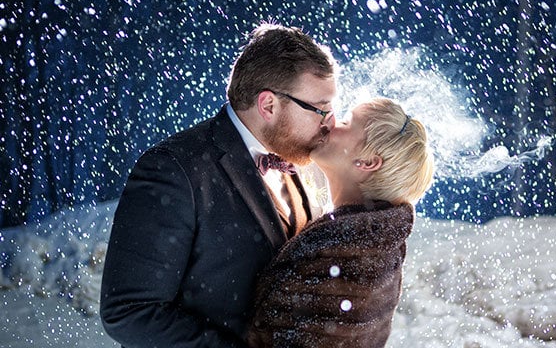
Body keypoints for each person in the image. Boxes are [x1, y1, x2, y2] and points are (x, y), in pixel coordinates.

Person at [100, 22, 339, 347]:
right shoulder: (174, 168)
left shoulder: (297, 160)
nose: (330, 124)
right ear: (268, 105)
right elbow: (128, 312)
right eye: (320, 110)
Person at [246, 97, 434, 348]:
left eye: (346, 122)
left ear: (367, 162)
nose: (331, 120)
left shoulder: (349, 255)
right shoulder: (366, 246)